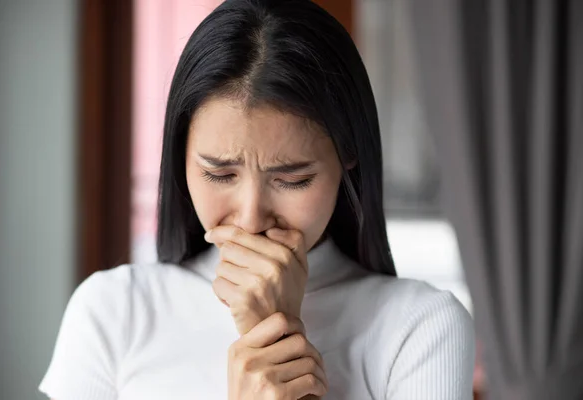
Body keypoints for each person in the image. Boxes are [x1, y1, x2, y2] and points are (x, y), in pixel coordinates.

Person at [39, 0, 475, 398]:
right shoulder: (112, 311)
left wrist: (278, 340)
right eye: (219, 173)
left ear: (348, 159)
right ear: (180, 158)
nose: (250, 220)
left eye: (293, 180)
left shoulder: (421, 326)